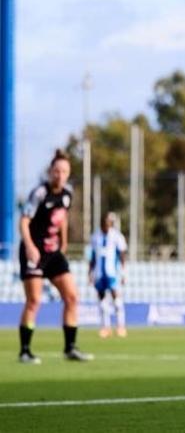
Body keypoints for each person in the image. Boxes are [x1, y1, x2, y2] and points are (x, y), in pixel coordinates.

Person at [17, 149, 93, 363]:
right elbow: (24, 221)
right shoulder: (39, 193)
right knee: (34, 300)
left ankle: (70, 348)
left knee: (72, 297)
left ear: (68, 174)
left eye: (64, 171)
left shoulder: (67, 194)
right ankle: (25, 350)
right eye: (56, 171)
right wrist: (30, 246)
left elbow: (62, 219)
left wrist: (64, 241)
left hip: (53, 252)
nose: (60, 175)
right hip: (34, 251)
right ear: (51, 172)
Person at [89, 211, 129, 339]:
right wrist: (90, 272)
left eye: (108, 223)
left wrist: (123, 273)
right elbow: (93, 256)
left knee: (116, 300)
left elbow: (122, 255)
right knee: (102, 301)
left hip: (113, 273)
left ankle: (121, 326)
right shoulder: (96, 236)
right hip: (99, 273)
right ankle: (105, 327)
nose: (106, 225)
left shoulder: (117, 236)